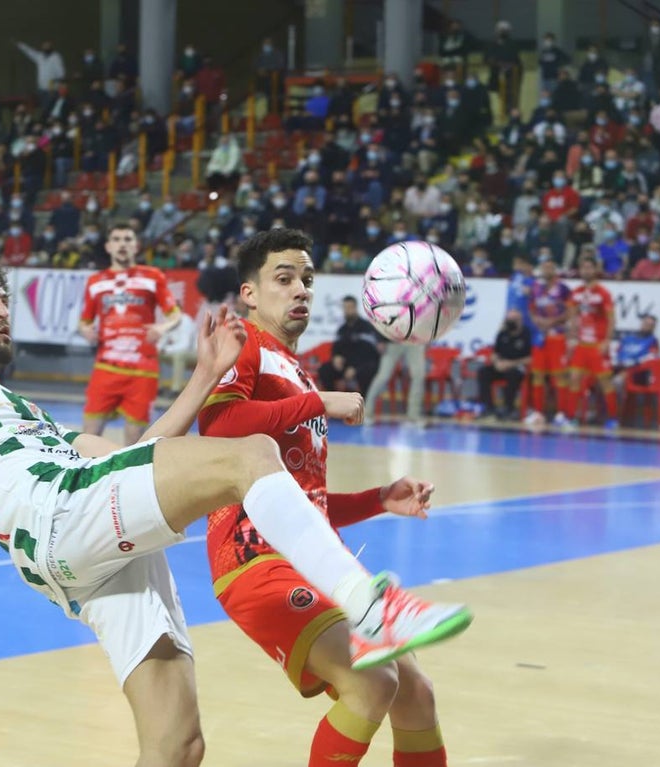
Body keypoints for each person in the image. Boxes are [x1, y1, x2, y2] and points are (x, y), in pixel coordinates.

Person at [0, 256, 473, 767]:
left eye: (1, 296)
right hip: (59, 513)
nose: (0, 308)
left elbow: (130, 458)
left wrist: (201, 376)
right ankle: (369, 603)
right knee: (250, 457)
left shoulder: (26, 413)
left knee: (178, 747)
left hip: (84, 555)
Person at [197, 229, 470, 767]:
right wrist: (319, 400)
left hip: (312, 556)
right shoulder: (245, 343)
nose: (300, 288)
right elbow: (220, 424)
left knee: (417, 693)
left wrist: (378, 499)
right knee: (372, 683)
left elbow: (306, 503)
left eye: (307, 279)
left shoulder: (296, 369)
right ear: (249, 293)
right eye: (284, 278)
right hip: (255, 557)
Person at [78, 224, 182, 446]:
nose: (122, 244)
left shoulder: (153, 277)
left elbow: (175, 315)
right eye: (116, 239)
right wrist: (85, 330)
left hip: (142, 371)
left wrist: (161, 329)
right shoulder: (95, 282)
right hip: (105, 369)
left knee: (135, 442)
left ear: (136, 246)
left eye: (127, 239)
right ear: (108, 246)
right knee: (89, 437)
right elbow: (84, 321)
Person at [561, 256, 619, 430]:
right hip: (581, 344)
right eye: (583, 268)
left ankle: (613, 418)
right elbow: (571, 316)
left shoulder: (603, 293)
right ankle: (572, 417)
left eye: (589, 268)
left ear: (595, 270)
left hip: (597, 344)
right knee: (574, 379)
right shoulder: (576, 292)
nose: (586, 271)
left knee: (605, 382)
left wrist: (607, 341)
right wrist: (571, 338)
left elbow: (611, 319)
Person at [523, 260, 571, 427]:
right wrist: (536, 320)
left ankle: (561, 414)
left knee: (559, 376)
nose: (546, 270)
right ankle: (538, 413)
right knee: (537, 375)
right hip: (539, 338)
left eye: (550, 267)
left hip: (556, 336)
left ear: (555, 270)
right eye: (544, 267)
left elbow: (569, 312)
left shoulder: (563, 289)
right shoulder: (535, 288)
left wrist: (552, 321)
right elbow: (530, 309)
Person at [320, 294, 382, 395]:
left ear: (355, 308)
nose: (347, 311)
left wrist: (355, 368)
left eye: (349, 307)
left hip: (362, 365)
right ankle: (335, 400)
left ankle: (363, 404)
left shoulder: (366, 327)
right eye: (345, 308)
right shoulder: (342, 329)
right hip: (346, 365)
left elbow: (370, 352)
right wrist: (336, 358)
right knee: (324, 370)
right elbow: (336, 347)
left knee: (366, 372)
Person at [478, 308, 533, 420]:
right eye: (508, 319)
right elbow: (494, 353)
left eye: (513, 319)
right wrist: (497, 362)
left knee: (512, 375)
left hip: (517, 367)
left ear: (520, 320)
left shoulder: (526, 334)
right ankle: (489, 408)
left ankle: (509, 409)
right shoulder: (502, 334)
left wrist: (510, 364)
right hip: (501, 366)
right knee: (483, 372)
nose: (510, 322)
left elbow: (530, 359)